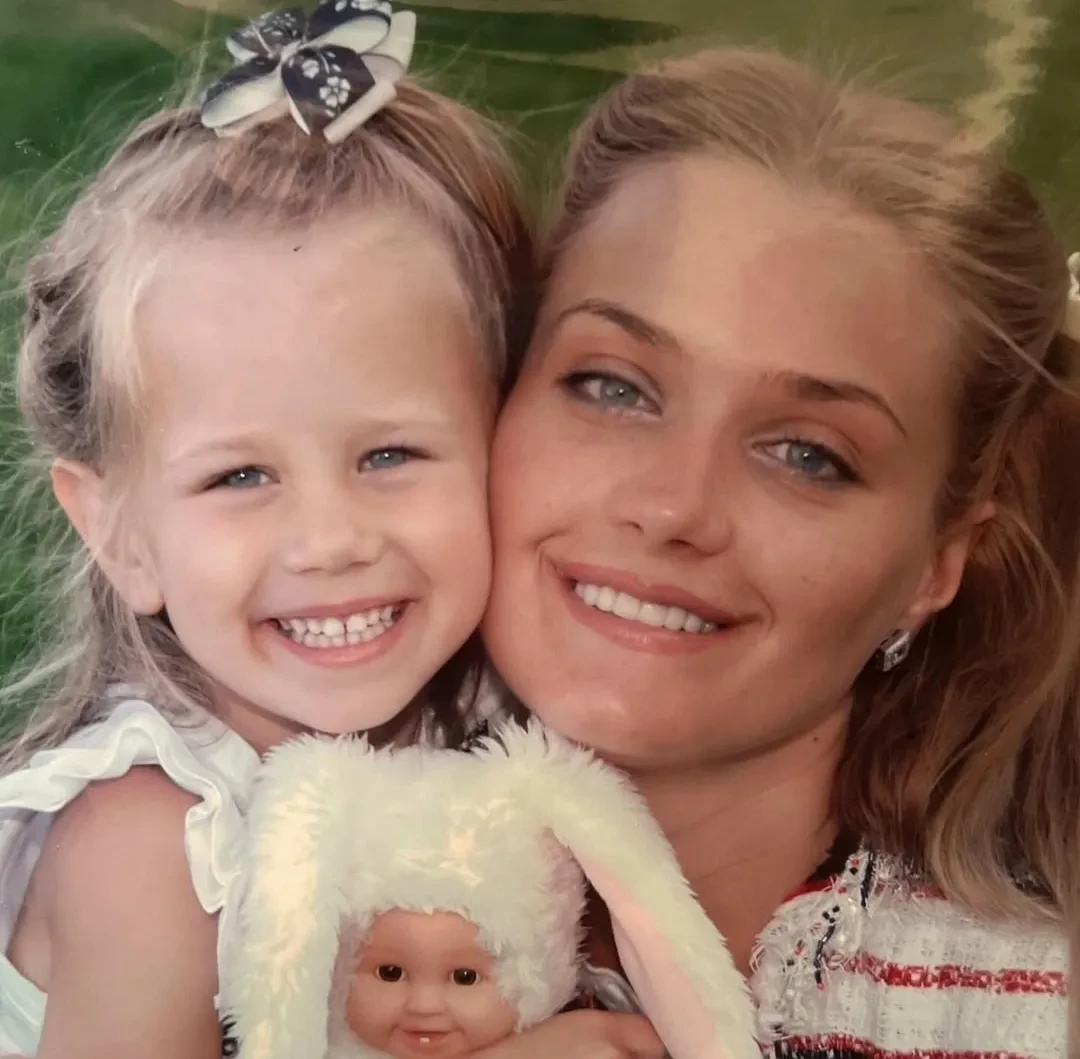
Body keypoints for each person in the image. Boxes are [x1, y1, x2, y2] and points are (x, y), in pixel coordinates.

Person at [479, 47, 1078, 1058]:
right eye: (613, 387)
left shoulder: (1036, 1020)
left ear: (938, 561)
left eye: (808, 454)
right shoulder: (232, 886)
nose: (674, 506)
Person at [0, 4, 533, 1055]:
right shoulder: (154, 844)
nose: (330, 539)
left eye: (390, 454)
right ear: (121, 536)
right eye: (240, 475)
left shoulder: (480, 737)